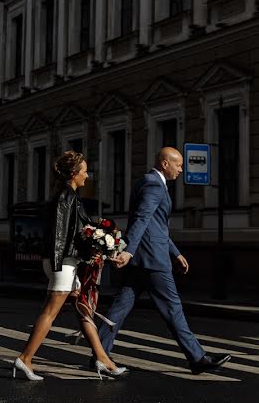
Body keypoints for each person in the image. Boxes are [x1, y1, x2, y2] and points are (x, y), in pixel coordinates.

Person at [100, 147, 232, 375]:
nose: (181, 169)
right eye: (178, 165)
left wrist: (175, 252)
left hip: (145, 255)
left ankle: (100, 354)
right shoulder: (154, 185)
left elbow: (156, 225)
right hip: (151, 259)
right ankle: (197, 358)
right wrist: (129, 251)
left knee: (120, 307)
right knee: (173, 307)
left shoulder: (145, 181)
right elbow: (142, 219)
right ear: (164, 163)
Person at [13, 151, 126, 381]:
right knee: (50, 311)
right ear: (74, 174)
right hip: (62, 262)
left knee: (83, 308)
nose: (87, 175)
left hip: (65, 262)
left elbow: (81, 231)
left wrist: (103, 248)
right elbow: (60, 235)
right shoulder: (66, 197)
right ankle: (25, 359)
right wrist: (60, 266)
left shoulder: (69, 196)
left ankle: (102, 359)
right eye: (84, 171)